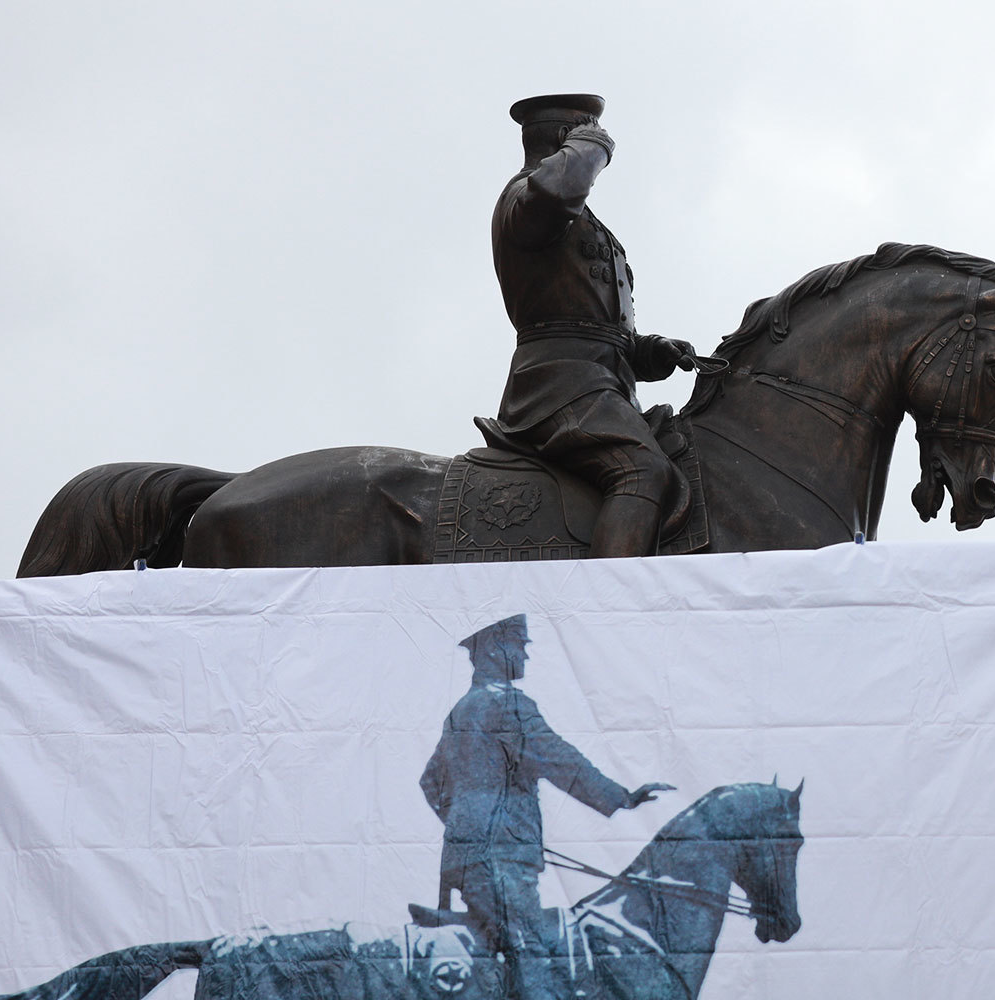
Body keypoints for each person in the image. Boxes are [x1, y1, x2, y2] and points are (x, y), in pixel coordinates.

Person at [420, 614, 672, 1000]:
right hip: (503, 859)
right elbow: (559, 760)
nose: (525, 655)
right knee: (531, 951)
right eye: (520, 644)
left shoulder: (460, 710)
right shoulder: (509, 706)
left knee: (497, 952)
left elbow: (430, 783)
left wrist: (463, 824)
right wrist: (622, 796)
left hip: (465, 859)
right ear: (493, 648)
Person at [488, 93, 697, 558]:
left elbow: (593, 323)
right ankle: (611, 608)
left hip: (602, 384)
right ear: (569, 139)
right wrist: (594, 146)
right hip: (559, 388)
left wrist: (647, 350)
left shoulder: (578, 219)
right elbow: (558, 190)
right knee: (643, 470)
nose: (598, 139)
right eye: (588, 130)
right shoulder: (528, 200)